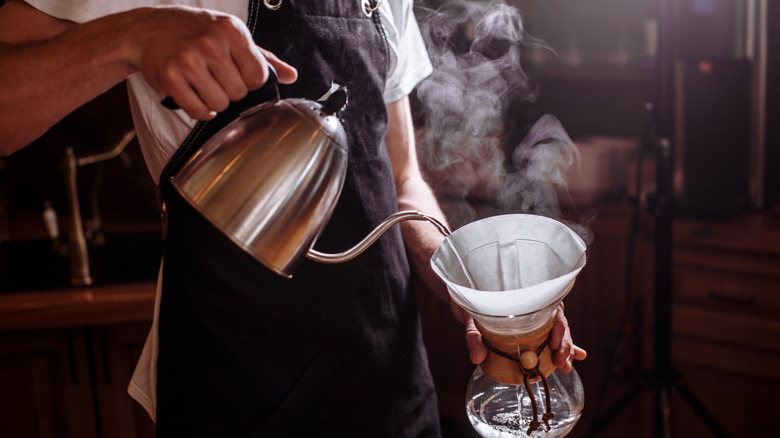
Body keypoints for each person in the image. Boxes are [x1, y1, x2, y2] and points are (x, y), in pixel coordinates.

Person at [0, 0, 586, 436]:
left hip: (390, 378)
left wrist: (474, 289)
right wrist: (128, 36)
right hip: (236, 375)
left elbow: (402, 176)